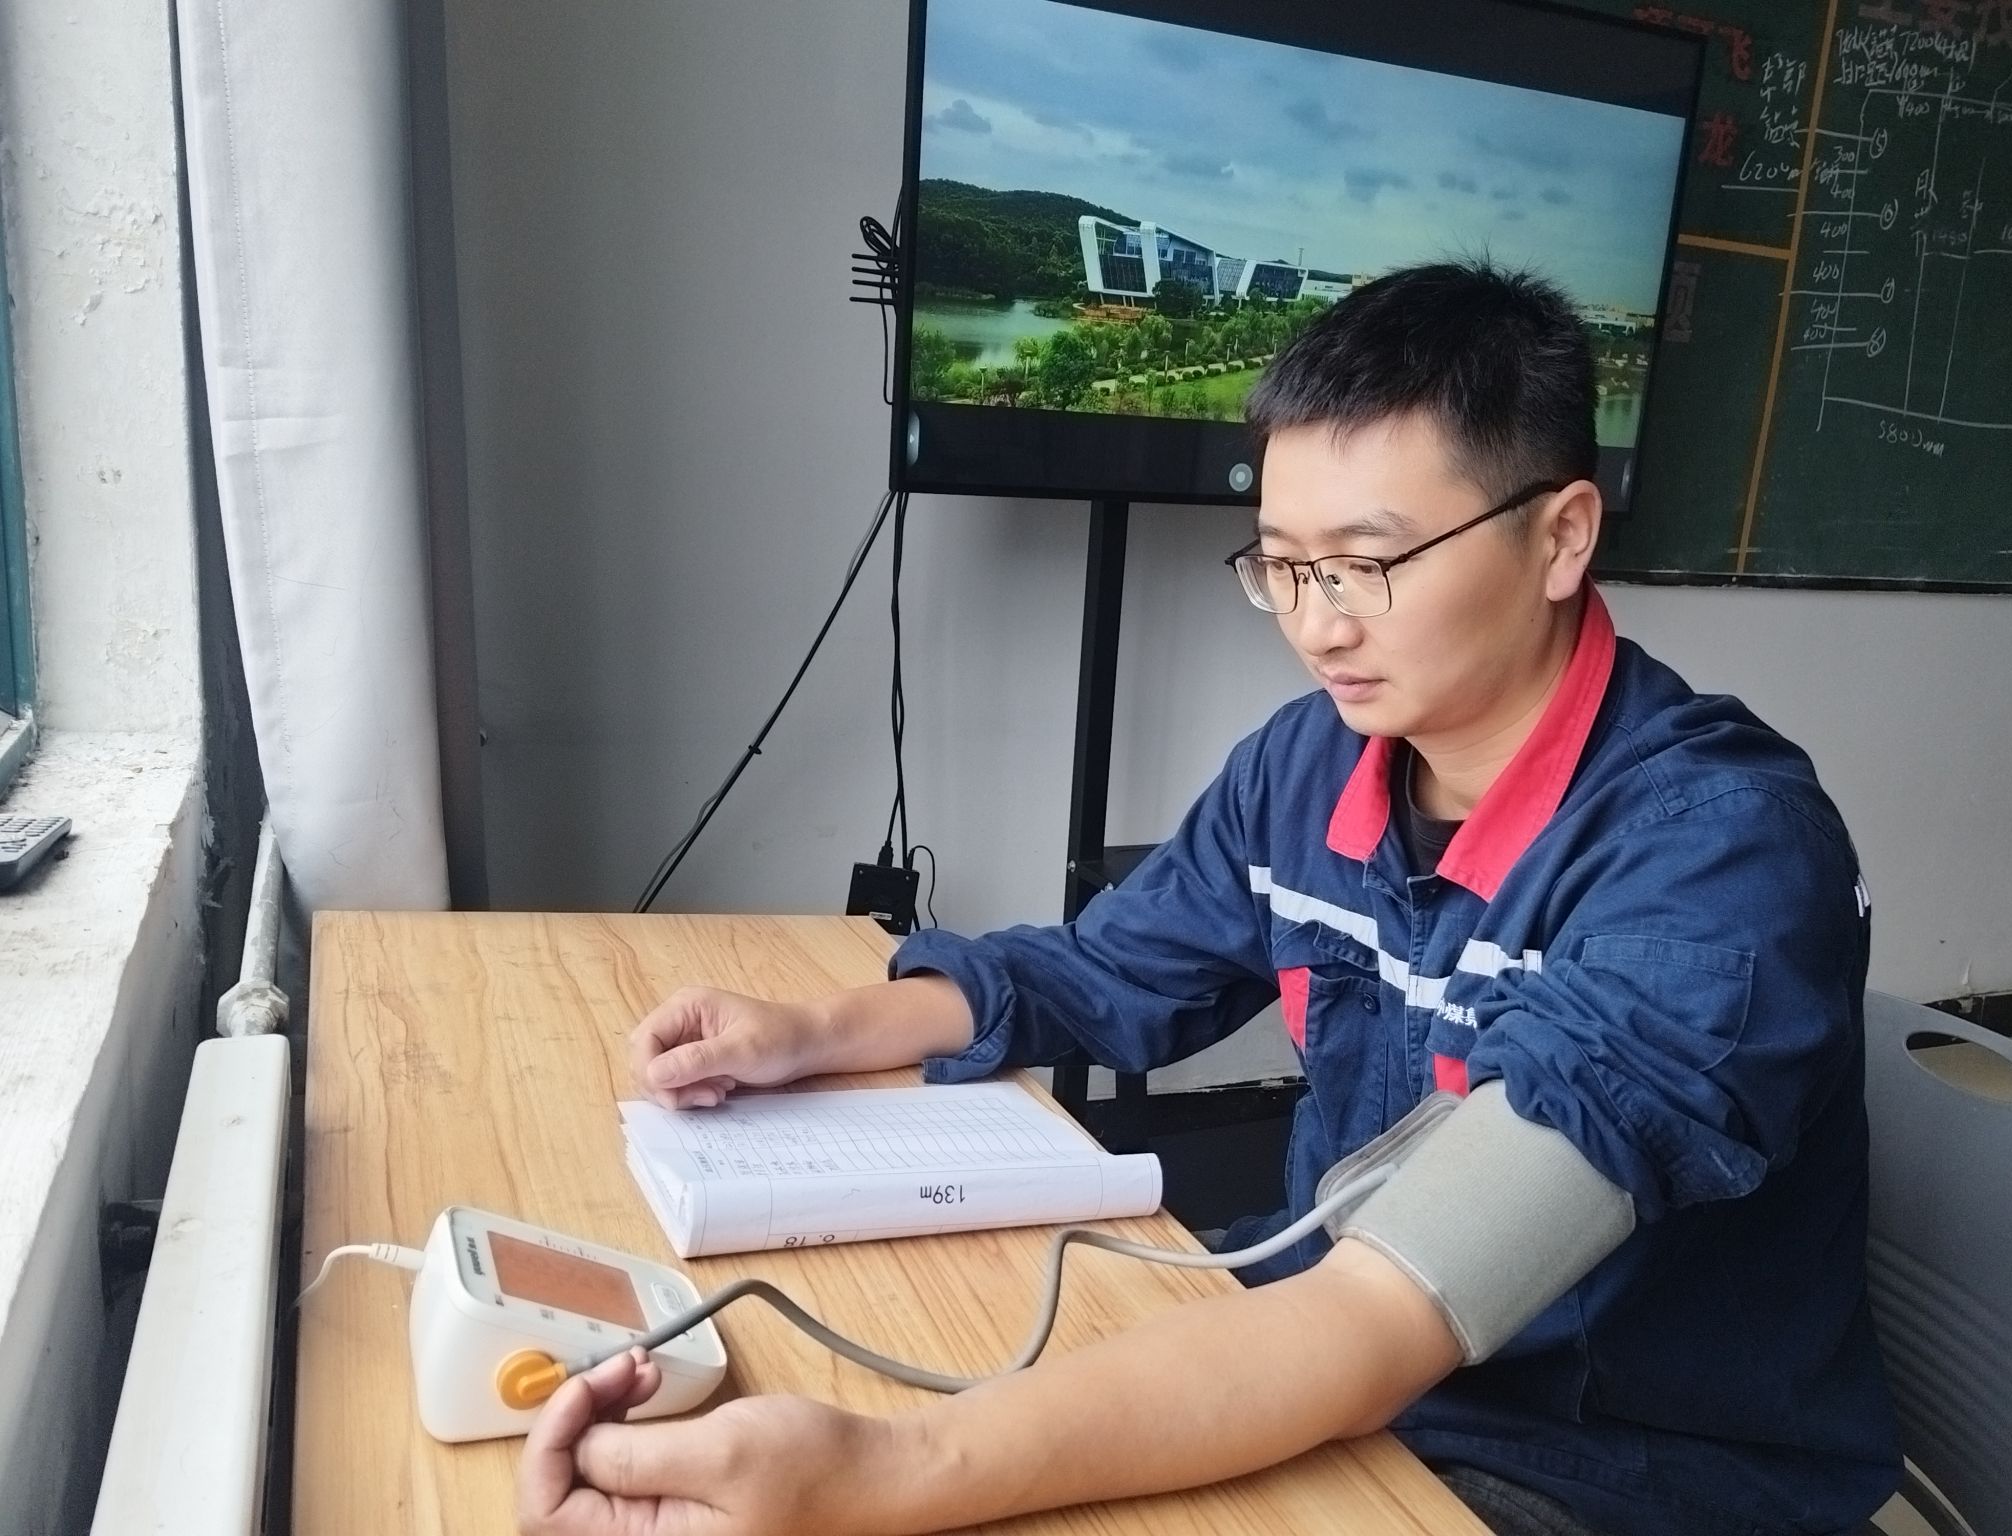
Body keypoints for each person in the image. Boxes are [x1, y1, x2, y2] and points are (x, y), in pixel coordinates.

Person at [516, 261, 1900, 1536]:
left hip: (1603, 1464)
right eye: (1282, 565)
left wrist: (891, 1470)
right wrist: (812, 1033)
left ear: (1560, 537)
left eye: (1365, 563)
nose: (1316, 624)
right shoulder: (1312, 763)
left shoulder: (1719, 858)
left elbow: (1403, 1293)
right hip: (1343, 1354)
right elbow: (1103, 973)